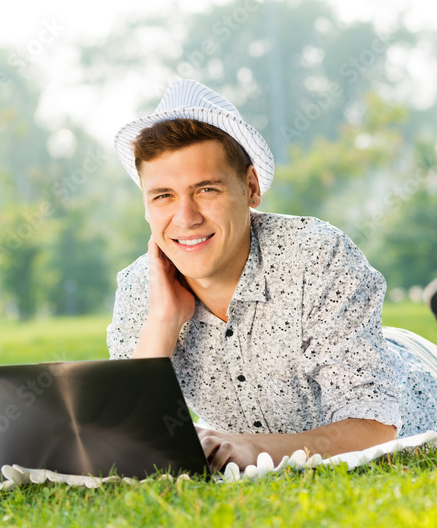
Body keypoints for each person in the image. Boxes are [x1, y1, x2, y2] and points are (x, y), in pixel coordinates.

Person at [106, 79, 437, 472]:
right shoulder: (138, 287)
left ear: (250, 187)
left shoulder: (316, 255)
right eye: (163, 195)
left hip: (416, 371)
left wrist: (254, 450)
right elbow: (127, 443)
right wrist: (161, 322)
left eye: (207, 189)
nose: (186, 218)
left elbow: (374, 431)